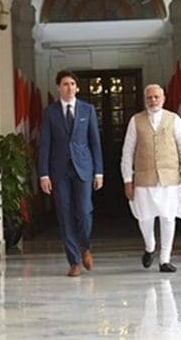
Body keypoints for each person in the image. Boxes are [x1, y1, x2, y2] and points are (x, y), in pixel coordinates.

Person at [38, 70, 104, 277]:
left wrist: (99, 172)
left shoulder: (88, 110)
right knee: (65, 215)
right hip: (59, 172)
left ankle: (85, 247)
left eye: (73, 84)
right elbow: (45, 145)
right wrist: (44, 174)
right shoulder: (50, 112)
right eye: (65, 84)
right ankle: (74, 261)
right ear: (58, 87)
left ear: (77, 87)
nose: (69, 88)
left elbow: (95, 142)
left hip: (83, 168)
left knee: (84, 211)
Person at [121, 84, 181, 273]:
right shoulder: (135, 121)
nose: (153, 101)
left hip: (170, 178)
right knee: (145, 218)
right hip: (144, 178)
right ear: (145, 100)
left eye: (156, 97)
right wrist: (128, 180)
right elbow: (127, 152)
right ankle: (150, 247)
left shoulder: (174, 119)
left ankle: (165, 259)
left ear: (163, 98)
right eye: (149, 97)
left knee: (168, 218)